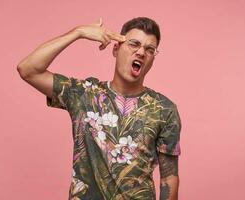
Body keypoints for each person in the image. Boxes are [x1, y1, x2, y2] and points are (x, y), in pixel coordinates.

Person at [17, 17, 182, 200]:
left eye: (149, 49)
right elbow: (28, 69)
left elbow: (169, 178)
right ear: (116, 49)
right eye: (134, 44)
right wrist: (77, 32)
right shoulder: (84, 94)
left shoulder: (163, 109)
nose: (141, 52)